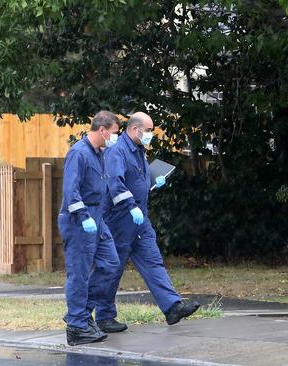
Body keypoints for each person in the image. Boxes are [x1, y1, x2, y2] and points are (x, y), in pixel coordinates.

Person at [90, 112, 199, 333]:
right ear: (134, 129)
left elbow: (137, 180)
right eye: (148, 131)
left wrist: (152, 181)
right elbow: (115, 184)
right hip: (119, 219)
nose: (150, 135)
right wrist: (131, 206)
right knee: (113, 268)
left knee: (153, 261)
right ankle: (104, 316)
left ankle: (172, 307)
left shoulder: (138, 150)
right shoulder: (117, 151)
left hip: (139, 218)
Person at [58, 111, 122, 346]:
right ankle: (77, 326)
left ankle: (82, 314)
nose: (116, 137)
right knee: (79, 273)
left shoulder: (98, 153)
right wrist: (84, 216)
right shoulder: (79, 153)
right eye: (115, 133)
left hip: (97, 218)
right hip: (79, 220)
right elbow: (71, 190)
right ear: (103, 130)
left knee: (111, 263)